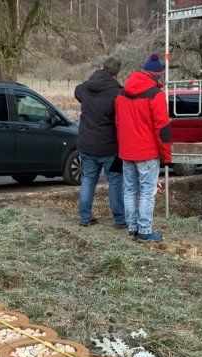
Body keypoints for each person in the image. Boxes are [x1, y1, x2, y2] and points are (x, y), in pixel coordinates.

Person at [114, 52, 172, 242]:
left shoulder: (121, 93)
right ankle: (145, 231)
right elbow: (162, 129)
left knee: (130, 190)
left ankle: (132, 229)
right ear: (158, 75)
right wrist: (166, 156)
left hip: (126, 152)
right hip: (147, 152)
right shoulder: (156, 95)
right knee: (147, 192)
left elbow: (118, 123)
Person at [75, 56, 126, 228]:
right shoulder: (117, 93)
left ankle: (85, 217)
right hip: (109, 146)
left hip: (86, 143)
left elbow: (77, 91)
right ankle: (120, 219)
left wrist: (92, 79)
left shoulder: (87, 87)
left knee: (88, 179)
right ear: (117, 74)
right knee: (115, 181)